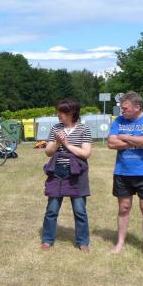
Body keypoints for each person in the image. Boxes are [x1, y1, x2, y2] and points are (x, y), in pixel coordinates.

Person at [108, 91, 143, 258]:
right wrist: (137, 140)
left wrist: (124, 136)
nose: (122, 111)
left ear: (137, 107)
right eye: (122, 108)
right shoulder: (119, 121)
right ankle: (120, 243)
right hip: (122, 172)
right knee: (123, 208)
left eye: (125, 108)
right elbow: (111, 143)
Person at [41, 98, 92, 251]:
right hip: (57, 171)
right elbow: (48, 152)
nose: (58, 114)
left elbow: (86, 153)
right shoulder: (56, 128)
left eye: (61, 112)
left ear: (71, 113)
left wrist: (67, 144)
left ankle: (83, 242)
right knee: (52, 209)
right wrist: (57, 143)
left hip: (77, 173)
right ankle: (47, 239)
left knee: (79, 210)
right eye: (58, 111)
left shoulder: (83, 129)